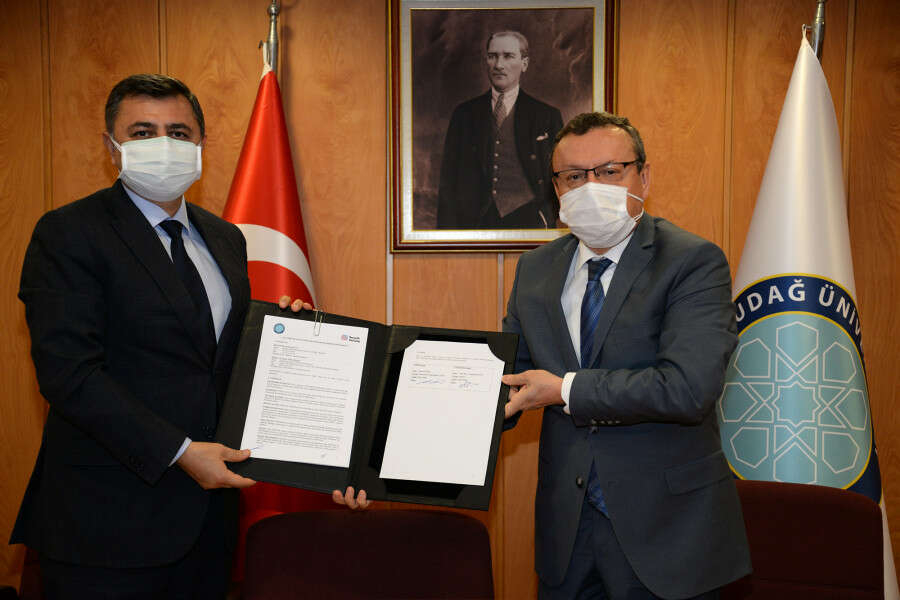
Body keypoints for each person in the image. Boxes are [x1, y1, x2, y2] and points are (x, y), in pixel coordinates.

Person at [10, 74, 366, 599]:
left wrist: (290, 342)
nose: (163, 144)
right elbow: (70, 374)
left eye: (178, 132)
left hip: (207, 527)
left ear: (201, 144)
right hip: (106, 526)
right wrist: (179, 452)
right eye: (142, 132)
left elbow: (228, 364)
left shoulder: (224, 237)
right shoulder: (69, 233)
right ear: (111, 147)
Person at [501, 112, 751, 599]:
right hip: (567, 538)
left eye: (609, 171)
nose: (591, 187)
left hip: (668, 535)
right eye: (574, 176)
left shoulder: (692, 262)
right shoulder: (535, 269)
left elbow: (688, 388)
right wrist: (379, 467)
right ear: (556, 188)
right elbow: (505, 385)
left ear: (644, 177)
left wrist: (566, 390)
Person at [436, 30, 563, 229]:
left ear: (524, 63)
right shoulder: (464, 114)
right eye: (492, 56)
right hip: (474, 224)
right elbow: (448, 181)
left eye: (508, 56)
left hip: (531, 221)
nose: (498, 65)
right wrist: (446, 235)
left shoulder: (546, 116)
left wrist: (552, 223)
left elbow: (561, 177)